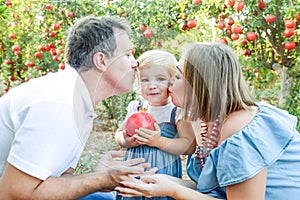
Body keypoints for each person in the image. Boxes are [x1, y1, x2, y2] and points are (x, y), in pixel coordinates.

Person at [115, 42, 300, 199]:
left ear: (200, 86)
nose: (170, 81)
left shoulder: (238, 129)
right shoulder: (209, 122)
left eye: (178, 76)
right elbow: (219, 191)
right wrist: (165, 181)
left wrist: (174, 190)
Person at [0, 16, 151, 200]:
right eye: (127, 54)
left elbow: (60, 177)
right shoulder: (58, 102)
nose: (135, 63)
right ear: (101, 60)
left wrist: (97, 174)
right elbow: (12, 194)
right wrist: (101, 179)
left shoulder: (80, 102)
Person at [115, 49, 196, 199]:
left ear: (172, 82)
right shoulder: (136, 107)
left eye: (160, 79)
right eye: (145, 80)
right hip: (134, 170)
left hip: (163, 174)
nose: (152, 85)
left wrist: (159, 141)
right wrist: (126, 141)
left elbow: (189, 146)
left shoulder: (175, 112)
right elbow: (119, 133)